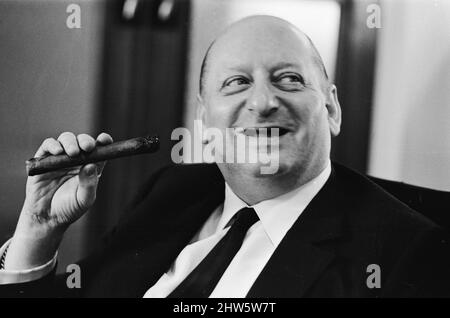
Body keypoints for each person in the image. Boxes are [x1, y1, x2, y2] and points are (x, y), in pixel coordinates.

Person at [0, 15, 449, 298]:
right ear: (205, 118)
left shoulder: (405, 252)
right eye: (236, 83)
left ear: (330, 108)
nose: (262, 103)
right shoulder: (170, 191)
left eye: (289, 79)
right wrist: (39, 231)